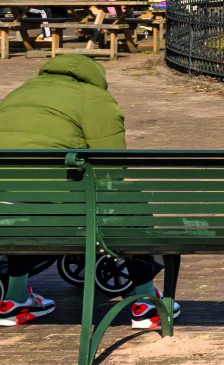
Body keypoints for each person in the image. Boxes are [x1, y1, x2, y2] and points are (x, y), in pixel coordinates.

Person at [0, 55, 173, 329]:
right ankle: (146, 300)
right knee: (132, 204)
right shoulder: (93, 98)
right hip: (61, 207)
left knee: (26, 202)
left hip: (7, 206)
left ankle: (15, 297)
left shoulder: (20, 93)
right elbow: (112, 169)